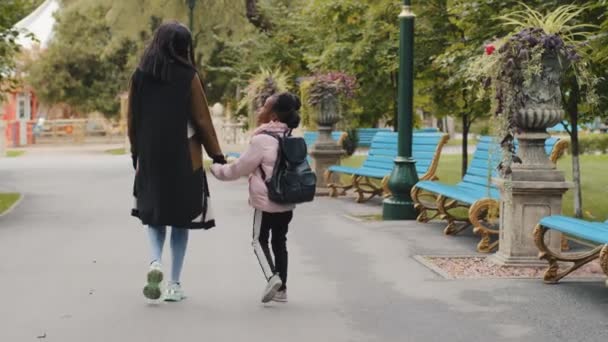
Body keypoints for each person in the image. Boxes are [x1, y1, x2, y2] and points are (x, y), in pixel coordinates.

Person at [128, 21, 226, 302]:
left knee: (155, 215)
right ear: (185, 46)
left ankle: (155, 261)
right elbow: (202, 119)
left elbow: (132, 120)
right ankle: (173, 285)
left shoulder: (140, 76)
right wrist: (216, 154)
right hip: (185, 158)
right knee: (181, 220)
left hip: (151, 157)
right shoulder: (188, 75)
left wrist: (137, 153)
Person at [210, 93, 301, 304]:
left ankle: (272, 278)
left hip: (265, 202)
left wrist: (216, 169)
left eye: (264, 107)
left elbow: (237, 169)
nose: (260, 110)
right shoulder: (292, 138)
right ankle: (282, 290)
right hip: (287, 201)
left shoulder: (262, 140)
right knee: (280, 241)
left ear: (274, 116)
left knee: (258, 239)